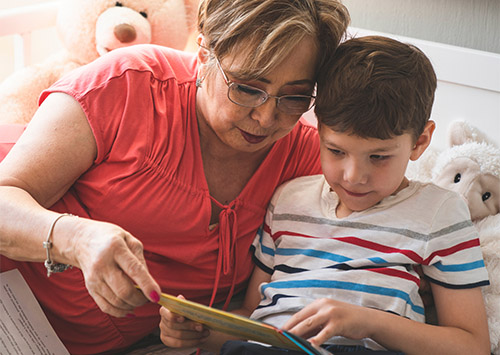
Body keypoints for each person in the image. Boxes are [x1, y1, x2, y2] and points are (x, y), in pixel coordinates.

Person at [0, 0, 350, 354]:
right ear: (203, 53)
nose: (265, 117)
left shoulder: (310, 154)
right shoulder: (125, 84)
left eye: (294, 96)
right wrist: (76, 239)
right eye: (246, 88)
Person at [159, 36, 491, 355]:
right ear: (317, 128)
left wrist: (369, 322)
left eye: (378, 157)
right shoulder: (288, 199)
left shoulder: (440, 211)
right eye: (335, 150)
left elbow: (470, 346)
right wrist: (200, 333)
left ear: (420, 142)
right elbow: (252, 315)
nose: (353, 176)